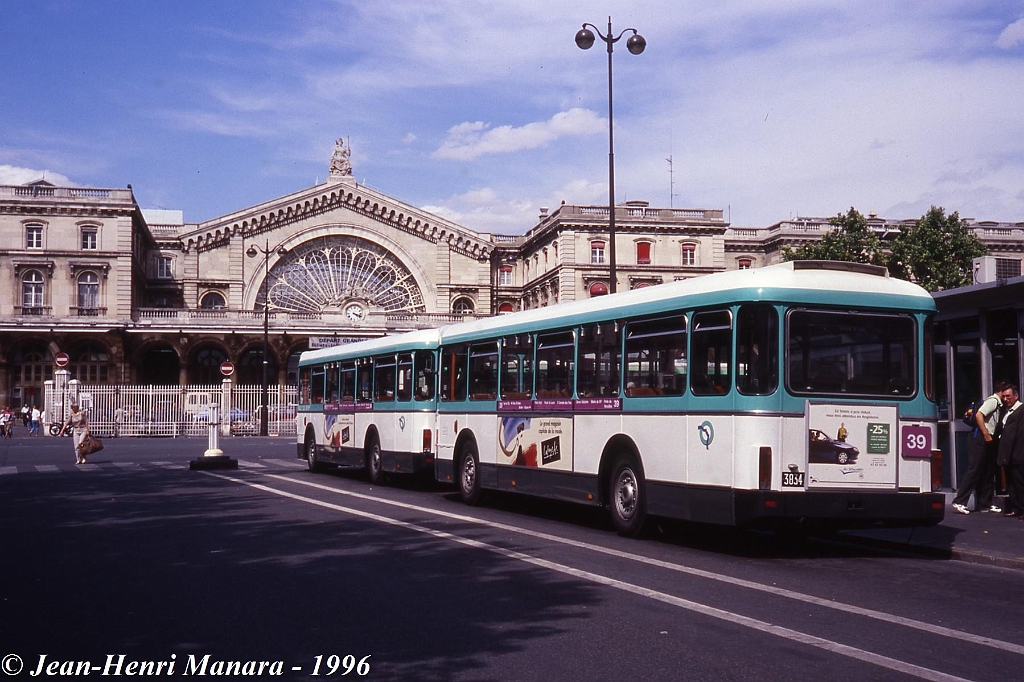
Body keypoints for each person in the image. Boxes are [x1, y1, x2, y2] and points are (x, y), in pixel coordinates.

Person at [952, 381, 1009, 514]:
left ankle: (985, 504)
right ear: (1001, 391)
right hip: (980, 438)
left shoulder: (1000, 404)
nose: (1007, 396)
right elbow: (979, 415)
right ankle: (959, 501)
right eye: (1006, 393)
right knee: (975, 468)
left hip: (989, 439)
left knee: (988, 470)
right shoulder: (993, 401)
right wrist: (985, 434)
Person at [996, 384, 1024, 519]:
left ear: (1016, 396)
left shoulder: (1021, 410)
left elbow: (1019, 435)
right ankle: (1016, 508)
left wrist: (1017, 454)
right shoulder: (1007, 411)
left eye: (1009, 396)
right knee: (1012, 483)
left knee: (1020, 482)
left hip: (1018, 454)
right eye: (1004, 396)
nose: (1006, 399)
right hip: (1008, 455)